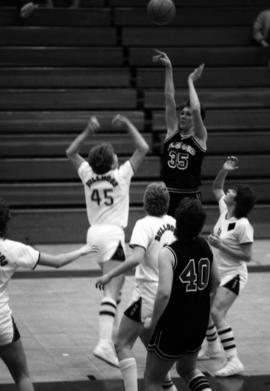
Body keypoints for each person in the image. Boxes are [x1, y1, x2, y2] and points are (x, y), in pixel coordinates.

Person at [66, 114, 149, 367]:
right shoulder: (121, 174)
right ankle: (104, 343)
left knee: (115, 289)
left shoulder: (87, 172)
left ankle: (108, 339)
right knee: (112, 290)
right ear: (113, 160)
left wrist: (87, 131)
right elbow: (143, 147)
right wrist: (127, 126)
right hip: (112, 234)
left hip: (94, 234)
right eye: (115, 155)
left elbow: (71, 151)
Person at [0, 197, 91, 391]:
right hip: (2, 324)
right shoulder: (13, 249)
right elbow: (57, 261)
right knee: (22, 376)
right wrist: (82, 251)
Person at [96, 182, 177, 391]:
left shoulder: (144, 224)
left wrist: (109, 275)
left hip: (147, 295)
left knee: (121, 344)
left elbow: (136, 258)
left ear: (145, 202)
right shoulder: (173, 222)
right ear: (167, 203)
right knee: (151, 344)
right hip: (168, 293)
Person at [143, 198, 220, 391]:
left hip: (174, 324)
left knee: (152, 379)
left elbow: (163, 294)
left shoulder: (169, 253)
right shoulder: (205, 246)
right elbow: (217, 281)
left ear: (178, 221)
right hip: (199, 321)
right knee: (188, 370)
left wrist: (154, 322)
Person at [198, 156, 256, 377]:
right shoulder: (225, 210)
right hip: (218, 272)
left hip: (234, 275)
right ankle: (212, 347)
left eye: (234, 191)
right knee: (206, 309)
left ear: (237, 201)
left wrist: (221, 245)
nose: (229, 190)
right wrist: (225, 169)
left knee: (217, 312)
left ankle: (233, 360)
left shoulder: (243, 225)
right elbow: (216, 186)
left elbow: (247, 256)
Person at [153, 49, 207, 217]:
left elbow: (196, 108)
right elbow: (169, 98)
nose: (183, 116)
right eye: (182, 113)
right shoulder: (172, 131)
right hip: (168, 194)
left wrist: (190, 80)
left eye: (187, 114)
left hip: (189, 196)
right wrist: (169, 68)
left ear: (196, 119)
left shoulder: (199, 136)